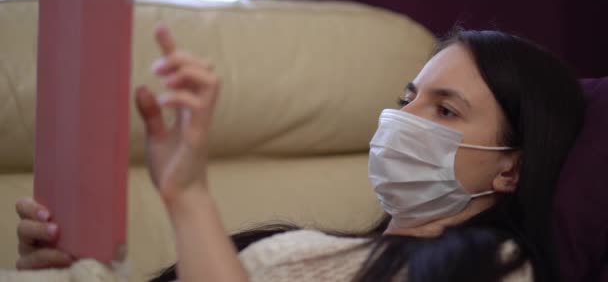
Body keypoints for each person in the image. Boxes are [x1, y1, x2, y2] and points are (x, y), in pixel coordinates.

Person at [14, 27, 585, 281]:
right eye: (405, 98)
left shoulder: (494, 268)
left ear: (511, 166)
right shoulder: (329, 252)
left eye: (445, 110)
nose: (400, 120)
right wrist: (65, 269)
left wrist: (186, 194)